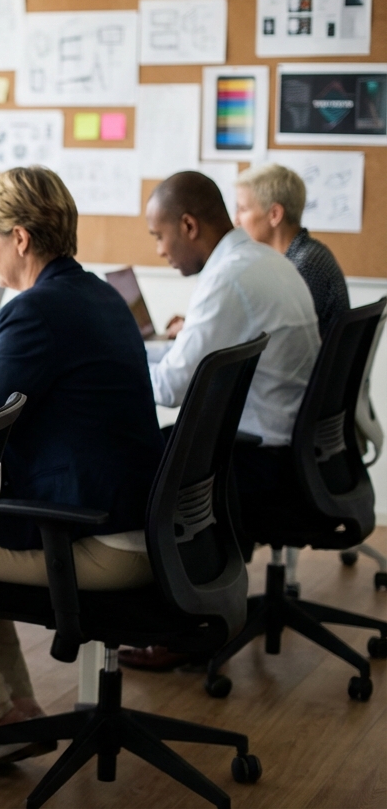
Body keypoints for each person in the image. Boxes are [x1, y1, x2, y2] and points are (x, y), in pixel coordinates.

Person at [0, 167, 164, 754]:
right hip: (143, 527)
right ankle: (15, 708)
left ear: (20, 238)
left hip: (95, 541)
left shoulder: (33, 310)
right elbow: (22, 395)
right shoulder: (99, 295)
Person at [121, 169, 320, 671]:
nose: (160, 250)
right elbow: (185, 365)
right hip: (290, 447)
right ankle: (193, 608)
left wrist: (109, 370)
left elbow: (170, 388)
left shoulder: (228, 278)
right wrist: (136, 354)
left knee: (137, 461)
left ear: (188, 226)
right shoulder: (258, 260)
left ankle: (174, 625)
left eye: (160, 236)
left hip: (258, 460)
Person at [234, 162, 350, 338]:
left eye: (243, 209)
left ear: (274, 215)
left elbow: (268, 335)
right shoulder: (302, 255)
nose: (236, 220)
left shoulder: (305, 265)